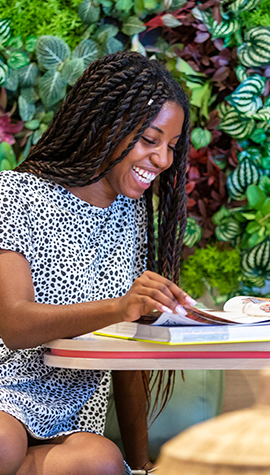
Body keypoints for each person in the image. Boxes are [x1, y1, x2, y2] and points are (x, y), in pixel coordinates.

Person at [0, 50, 195, 475]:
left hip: (69, 418)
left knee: (103, 464)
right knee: (3, 445)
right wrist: (120, 306)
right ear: (107, 124)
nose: (163, 160)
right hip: (3, 392)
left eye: (172, 146)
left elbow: (127, 355)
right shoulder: (14, 193)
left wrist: (142, 465)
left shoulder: (132, 214)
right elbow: (14, 325)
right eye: (150, 140)